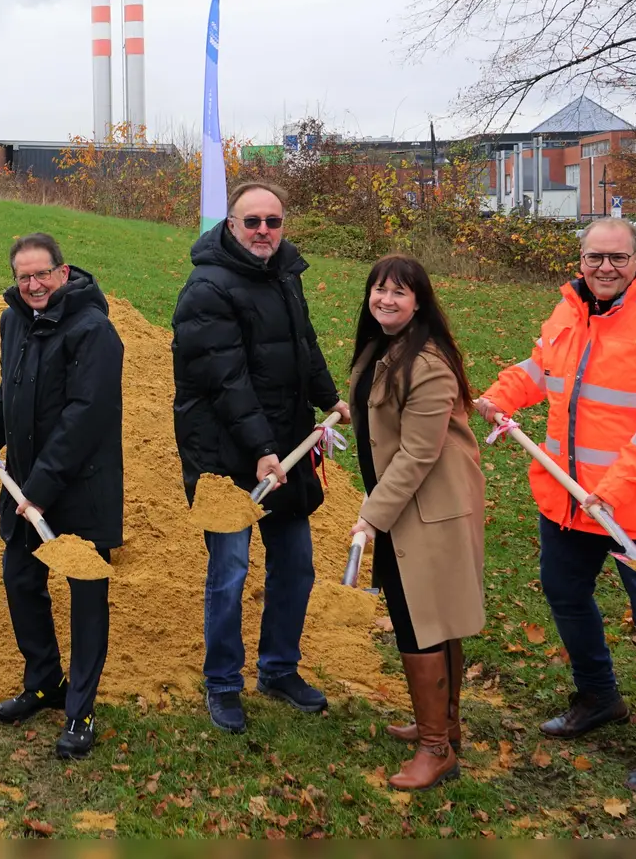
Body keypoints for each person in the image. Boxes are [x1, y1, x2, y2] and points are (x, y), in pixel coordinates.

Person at [477, 217, 636, 795]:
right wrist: (498, 395)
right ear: (579, 261)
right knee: (564, 594)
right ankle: (599, 696)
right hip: (567, 498)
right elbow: (541, 372)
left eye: (616, 258)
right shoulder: (567, 312)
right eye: (594, 258)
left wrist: (613, 487)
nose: (604, 268)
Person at [171, 181, 350, 733]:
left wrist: (330, 397)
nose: (264, 231)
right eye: (252, 222)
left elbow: (304, 345)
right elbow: (226, 381)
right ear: (231, 225)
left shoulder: (286, 275)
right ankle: (223, 682)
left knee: (295, 565)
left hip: (284, 451)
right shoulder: (206, 289)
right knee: (229, 571)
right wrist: (260, 451)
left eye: (273, 221)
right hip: (226, 458)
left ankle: (277, 669)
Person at [0, 233, 124, 760]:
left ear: (63, 271)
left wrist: (38, 489)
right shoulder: (14, 319)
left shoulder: (93, 330)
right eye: (22, 277)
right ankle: (44, 682)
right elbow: (10, 388)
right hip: (28, 484)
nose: (32, 285)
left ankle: (81, 708)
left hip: (79, 487)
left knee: (84, 596)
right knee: (21, 579)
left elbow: (84, 416)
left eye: (41, 274)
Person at [346, 255, 485, 791]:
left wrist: (371, 516)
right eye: (378, 289)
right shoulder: (384, 348)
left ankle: (436, 748)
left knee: (420, 618)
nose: (385, 299)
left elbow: (418, 454)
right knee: (429, 615)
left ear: (419, 301)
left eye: (399, 293)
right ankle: (443, 727)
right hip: (407, 504)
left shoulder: (426, 362)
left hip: (429, 510)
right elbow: (379, 417)